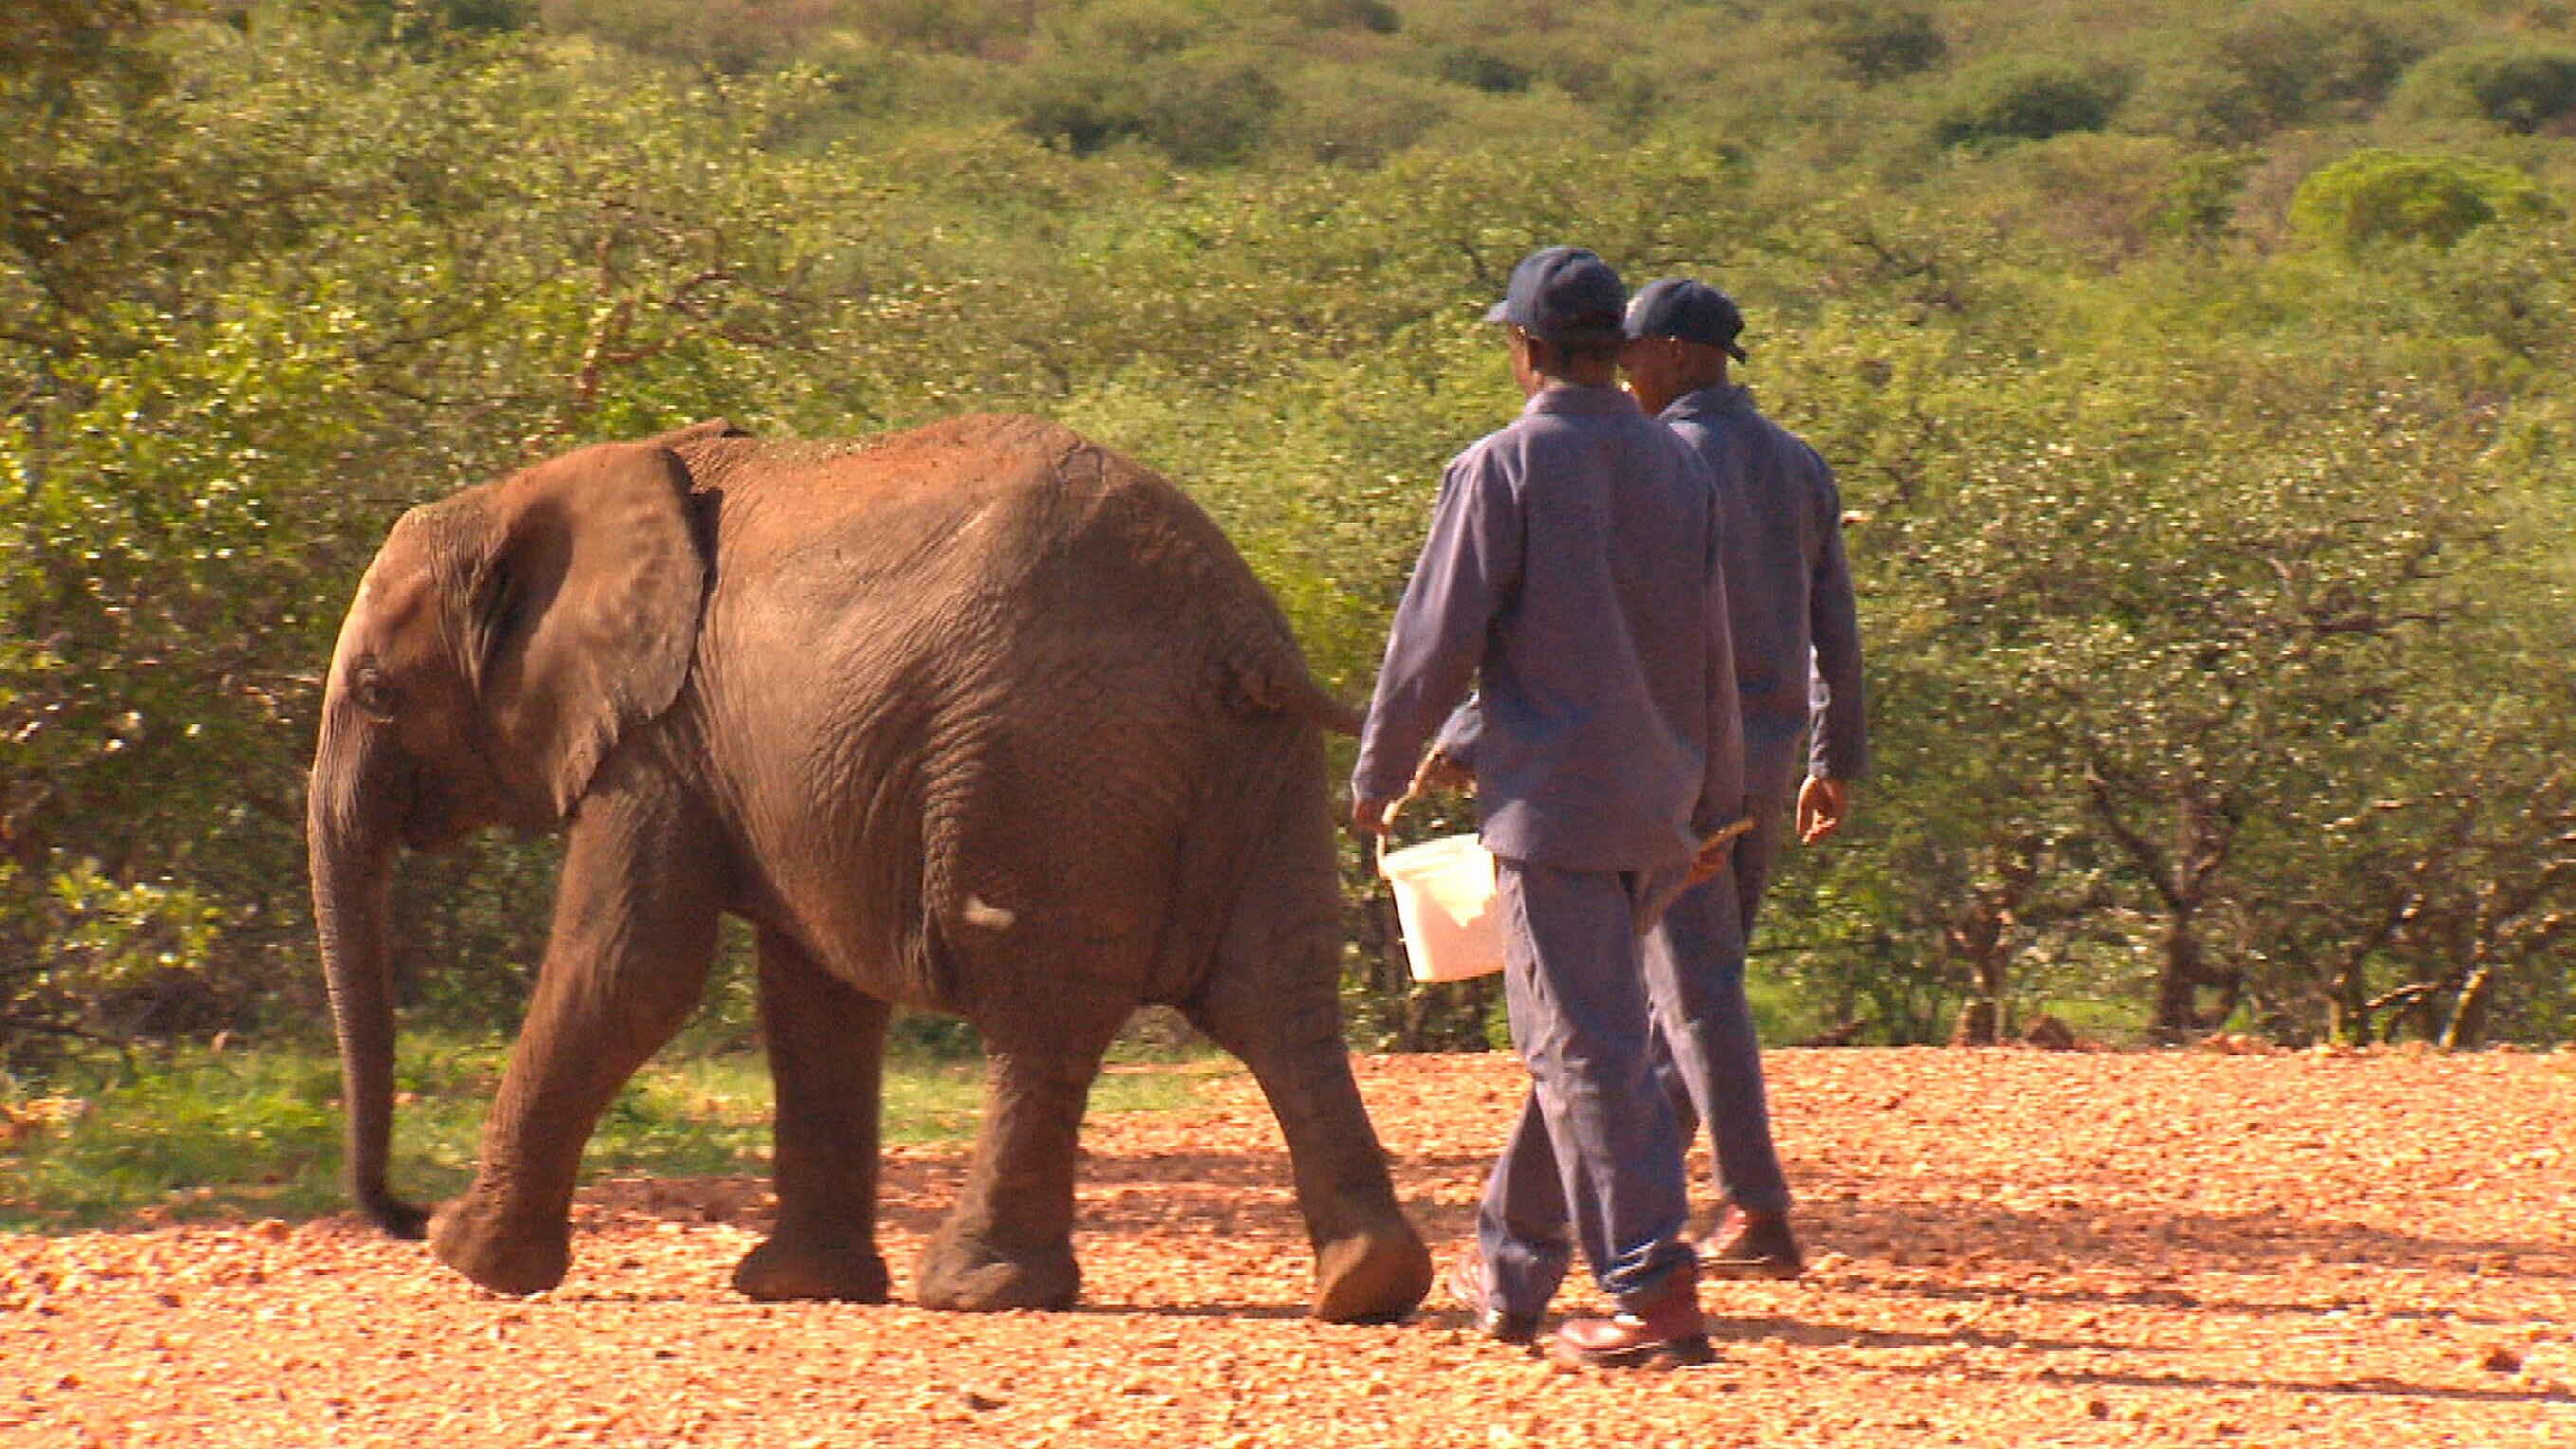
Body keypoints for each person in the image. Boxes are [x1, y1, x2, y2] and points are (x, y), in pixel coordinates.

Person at [1434, 277, 1865, 1316]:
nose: (1615, 366)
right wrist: (1832, 755)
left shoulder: (1661, 460)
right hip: (1757, 760)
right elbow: (1834, 625)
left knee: (1665, 997)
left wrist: (1460, 736)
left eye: (1630, 350)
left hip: (1675, 761)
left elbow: (1598, 637)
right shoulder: (1797, 462)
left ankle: (1739, 1211)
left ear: (1672, 352)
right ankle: (1587, 1221)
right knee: (1657, 1001)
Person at [1350, 246, 1745, 1372]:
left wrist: (1379, 773)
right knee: (1579, 1034)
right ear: (1618, 350)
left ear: (1522, 350)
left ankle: (1648, 1290)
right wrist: (1715, 804)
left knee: (1586, 1049)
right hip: (1658, 803)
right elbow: (1705, 648)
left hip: (1557, 814)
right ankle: (1513, 1272)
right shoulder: (1679, 469)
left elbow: (1433, 640)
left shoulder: (1500, 466)